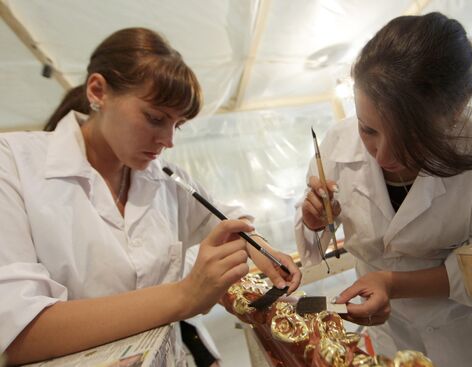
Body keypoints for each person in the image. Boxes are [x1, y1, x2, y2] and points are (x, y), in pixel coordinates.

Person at [0, 27, 301, 365]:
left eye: (178, 124)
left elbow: (227, 219)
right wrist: (186, 294)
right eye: (155, 118)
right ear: (98, 91)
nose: (168, 140)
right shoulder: (13, 163)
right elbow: (19, 333)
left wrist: (259, 246)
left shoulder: (165, 179)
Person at [295, 13, 472, 367]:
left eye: (411, 137)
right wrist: (314, 221)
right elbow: (317, 242)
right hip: (388, 331)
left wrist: (391, 283)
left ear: (457, 110)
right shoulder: (336, 143)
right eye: (368, 130)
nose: (384, 156)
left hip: (466, 328)